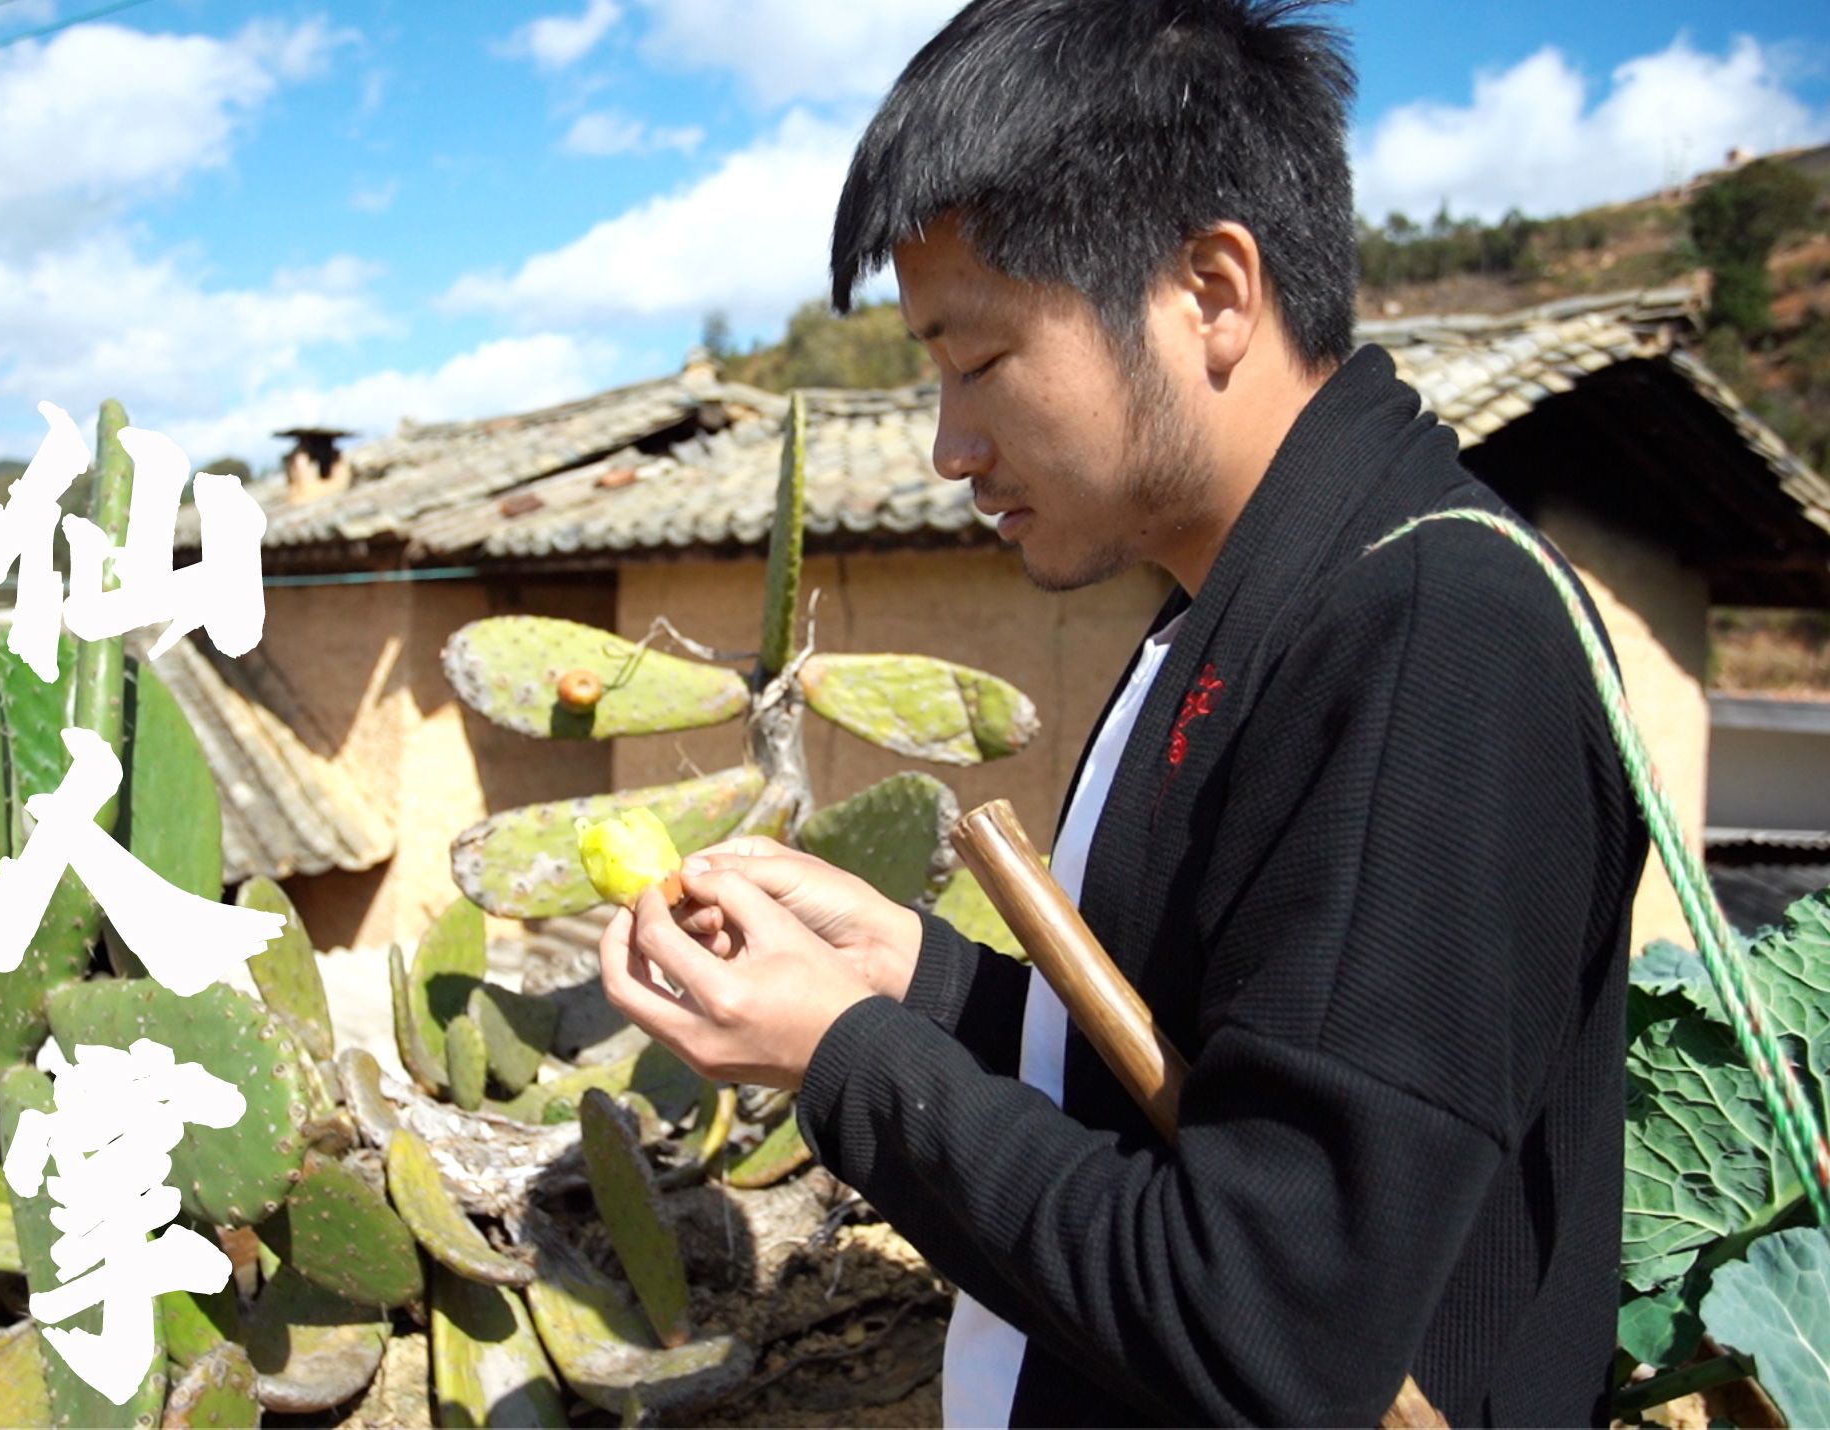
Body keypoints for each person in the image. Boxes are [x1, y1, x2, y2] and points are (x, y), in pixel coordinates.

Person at [594, 1, 1647, 1425]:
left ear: (1212, 290)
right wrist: (918, 978)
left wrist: (848, 1053)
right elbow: (1197, 1086)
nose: (949, 445)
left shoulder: (1436, 640)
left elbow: (1265, 1320)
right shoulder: (1237, 610)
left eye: (976, 359)